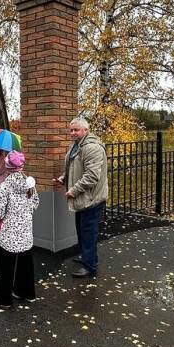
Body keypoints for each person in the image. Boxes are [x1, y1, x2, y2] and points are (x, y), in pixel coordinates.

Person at [54, 116, 108, 279]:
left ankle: (90, 267)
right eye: (71, 130)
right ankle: (88, 257)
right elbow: (73, 168)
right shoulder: (76, 146)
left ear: (86, 130)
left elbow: (92, 176)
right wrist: (64, 178)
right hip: (82, 198)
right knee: (82, 231)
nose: (73, 133)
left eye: (76, 130)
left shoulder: (92, 148)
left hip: (91, 199)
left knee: (88, 233)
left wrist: (74, 190)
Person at [0, 151, 39, 308]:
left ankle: (2, 298)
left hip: (9, 232)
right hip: (25, 230)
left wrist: (3, 216)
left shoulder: (5, 186)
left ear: (8, 167)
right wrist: (25, 213)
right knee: (25, 262)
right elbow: (35, 202)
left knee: (6, 266)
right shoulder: (29, 184)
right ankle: (25, 292)